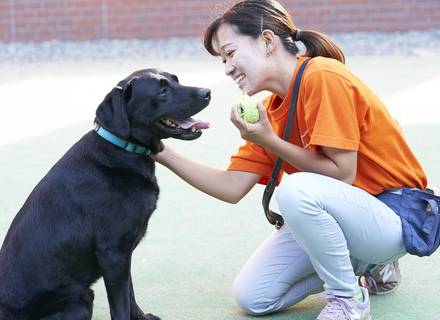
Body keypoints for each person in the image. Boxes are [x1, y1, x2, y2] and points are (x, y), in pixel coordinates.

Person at [153, 0, 428, 319]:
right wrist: (159, 150)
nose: (227, 68)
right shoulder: (269, 111)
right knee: (254, 297)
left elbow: (341, 175)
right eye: (222, 60)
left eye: (230, 53)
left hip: (394, 215)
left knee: (295, 189)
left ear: (268, 41)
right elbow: (231, 187)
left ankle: (348, 299)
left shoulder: (323, 76)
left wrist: (270, 141)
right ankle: (364, 265)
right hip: (346, 221)